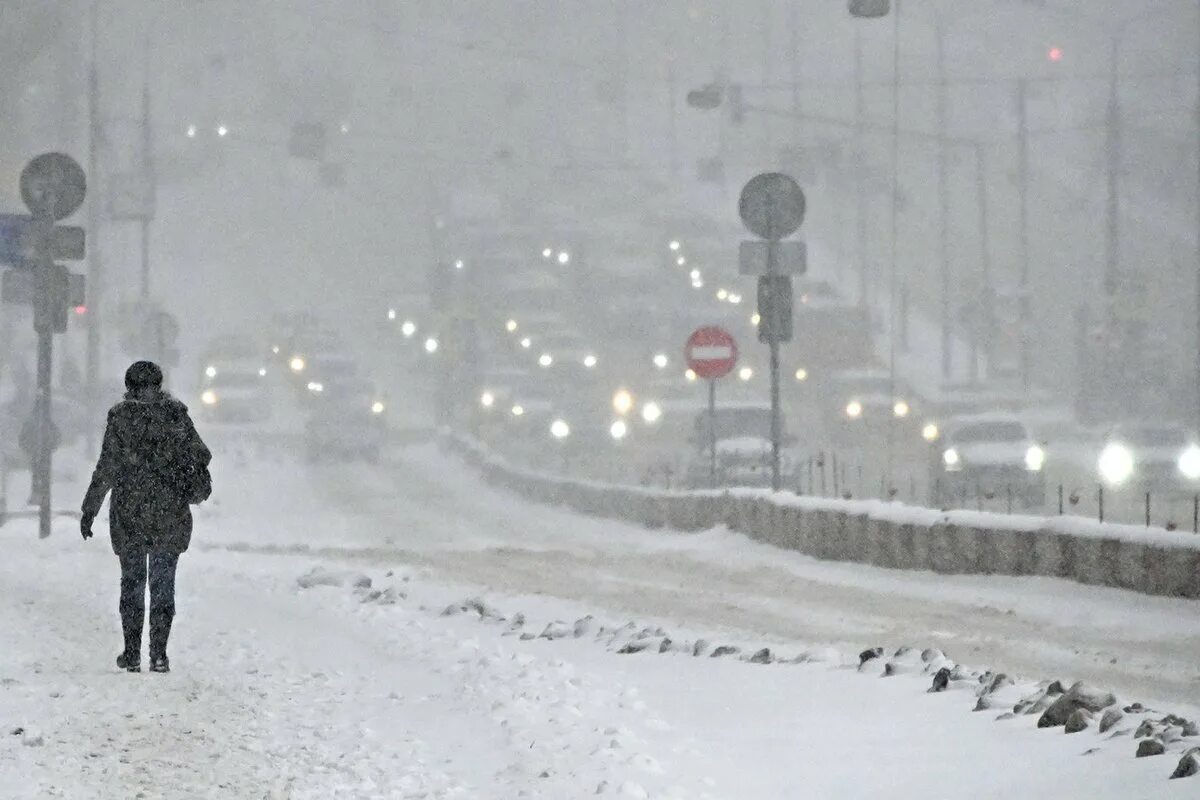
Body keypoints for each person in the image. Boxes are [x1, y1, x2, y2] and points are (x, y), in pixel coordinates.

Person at [81, 361, 211, 673]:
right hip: (170, 513)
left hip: (130, 514)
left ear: (129, 387)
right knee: (163, 587)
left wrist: (90, 508)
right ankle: (159, 654)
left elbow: (107, 466)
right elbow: (201, 455)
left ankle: (132, 652)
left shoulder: (122, 417)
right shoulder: (176, 414)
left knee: (132, 585)